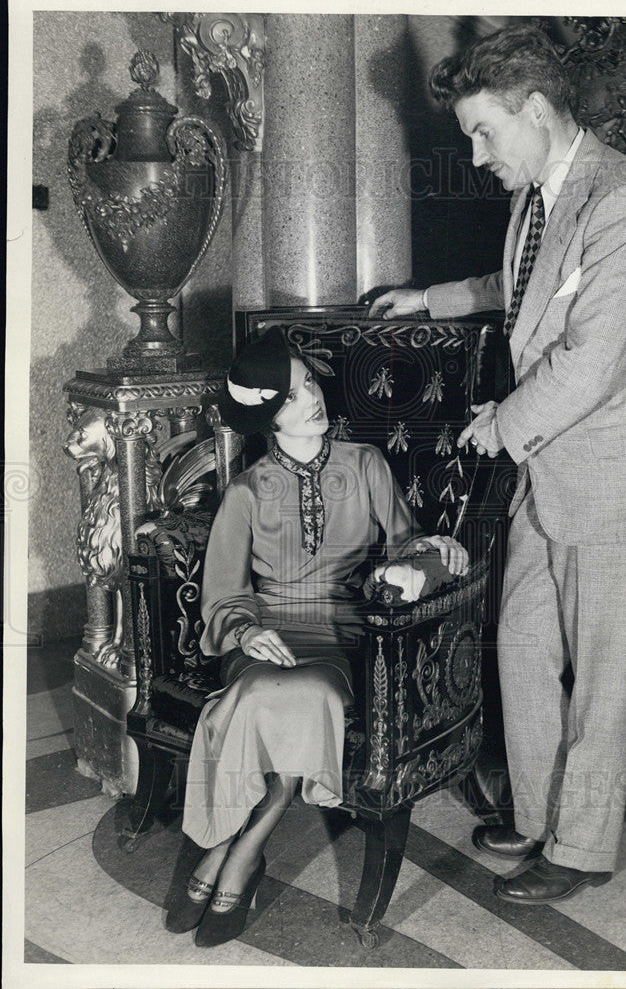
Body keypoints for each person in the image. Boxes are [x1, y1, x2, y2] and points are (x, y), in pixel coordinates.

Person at [370, 26, 626, 904]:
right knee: (520, 641)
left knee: (602, 670)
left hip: (615, 472)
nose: (477, 155)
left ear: (538, 111)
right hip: (553, 471)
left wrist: (501, 427)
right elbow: (520, 288)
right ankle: (542, 810)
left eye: (484, 132)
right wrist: (428, 298)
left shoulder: (624, 199)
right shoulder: (542, 193)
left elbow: (591, 358)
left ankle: (581, 846)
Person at [167, 326, 469, 945]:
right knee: (255, 697)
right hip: (266, 641)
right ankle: (243, 853)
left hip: (343, 638)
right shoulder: (246, 492)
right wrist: (246, 632)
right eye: (298, 392)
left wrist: (414, 565)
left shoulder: (365, 464)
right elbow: (223, 596)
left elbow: (413, 542)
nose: (316, 398)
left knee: (315, 696)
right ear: (270, 414)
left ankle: (237, 847)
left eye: (312, 384)